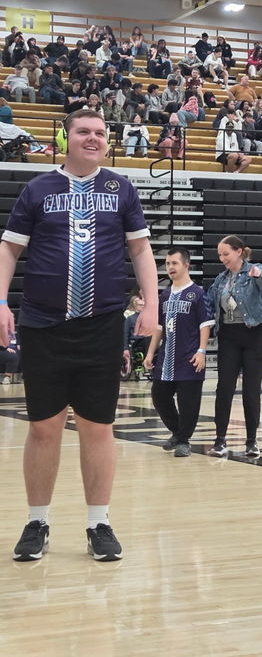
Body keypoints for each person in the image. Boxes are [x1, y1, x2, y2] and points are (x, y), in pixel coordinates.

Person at [0, 109, 158, 562]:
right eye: (84, 132)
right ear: (65, 138)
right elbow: (9, 249)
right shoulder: (38, 189)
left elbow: (141, 249)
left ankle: (99, 522)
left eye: (100, 133)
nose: (93, 139)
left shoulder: (121, 189)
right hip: (43, 323)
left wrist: (152, 304)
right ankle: (37, 520)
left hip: (103, 325)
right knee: (44, 427)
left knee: (98, 426)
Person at [206, 236, 262, 459]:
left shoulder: (255, 270)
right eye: (219, 254)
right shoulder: (220, 280)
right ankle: (219, 440)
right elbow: (208, 303)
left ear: (239, 252)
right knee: (224, 388)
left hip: (255, 334)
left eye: (226, 253)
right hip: (229, 336)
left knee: (251, 390)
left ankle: (252, 441)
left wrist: (259, 275)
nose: (222, 258)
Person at [143, 248, 215, 457]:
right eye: (167, 264)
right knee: (159, 396)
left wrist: (201, 351)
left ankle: (184, 440)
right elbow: (159, 327)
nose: (170, 267)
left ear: (186, 265)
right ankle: (177, 431)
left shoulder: (198, 294)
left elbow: (205, 325)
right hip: (166, 359)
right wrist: (150, 354)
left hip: (189, 357)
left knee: (188, 403)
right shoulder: (164, 294)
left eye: (174, 263)